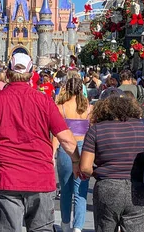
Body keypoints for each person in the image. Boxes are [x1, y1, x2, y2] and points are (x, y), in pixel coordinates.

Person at [0, 53, 80, 232]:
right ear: (31, 74)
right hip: (40, 179)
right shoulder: (44, 101)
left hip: (6, 179)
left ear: (8, 73)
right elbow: (66, 139)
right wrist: (76, 162)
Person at [80, 93, 144, 232]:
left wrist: (99, 172)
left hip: (108, 187)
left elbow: (84, 167)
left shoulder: (96, 130)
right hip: (139, 186)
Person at [53, 75, 91, 232]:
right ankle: (78, 227)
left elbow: (56, 134)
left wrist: (52, 152)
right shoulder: (88, 107)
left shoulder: (60, 107)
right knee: (81, 190)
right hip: (84, 149)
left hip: (66, 148)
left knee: (65, 188)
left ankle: (65, 224)